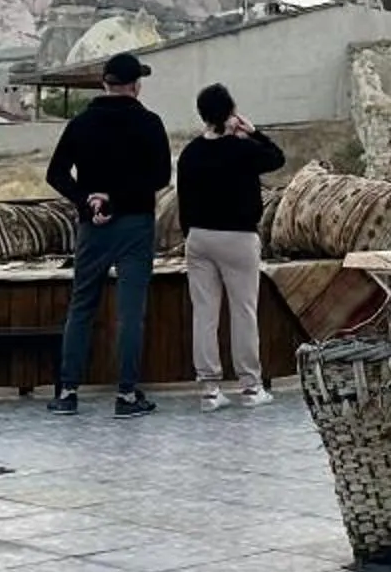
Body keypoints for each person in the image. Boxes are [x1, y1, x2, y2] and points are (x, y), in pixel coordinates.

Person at [42, 53, 171, 415]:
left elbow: (56, 174)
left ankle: (67, 392)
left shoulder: (81, 123)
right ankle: (127, 395)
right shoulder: (149, 123)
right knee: (131, 312)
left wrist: (89, 200)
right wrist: (117, 198)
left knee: (81, 307)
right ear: (135, 85)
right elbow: (160, 176)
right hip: (135, 225)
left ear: (105, 83)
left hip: (92, 226)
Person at [176, 82, 282, 409]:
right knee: (243, 311)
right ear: (231, 112)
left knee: (205, 313)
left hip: (199, 237)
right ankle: (250, 386)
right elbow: (277, 159)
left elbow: (183, 201)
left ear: (202, 115)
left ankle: (209, 389)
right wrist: (254, 133)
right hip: (238, 237)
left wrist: (189, 235)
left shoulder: (190, 153)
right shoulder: (243, 148)